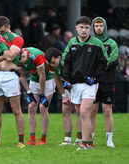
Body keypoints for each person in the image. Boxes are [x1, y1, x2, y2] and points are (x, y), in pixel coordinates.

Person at [63, 16, 108, 150]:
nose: (84, 30)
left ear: (90, 29)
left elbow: (103, 63)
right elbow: (67, 63)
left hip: (90, 85)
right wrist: (66, 80)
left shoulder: (96, 43)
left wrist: (94, 78)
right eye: (81, 27)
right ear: (76, 28)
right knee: (80, 113)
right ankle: (89, 143)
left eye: (87, 28)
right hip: (75, 85)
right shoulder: (72, 43)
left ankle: (84, 143)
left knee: (84, 112)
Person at [0, 16, 25, 148]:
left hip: (10, 76)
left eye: (3, 32)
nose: (0, 35)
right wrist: (2, 55)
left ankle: (21, 140)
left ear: (8, 27)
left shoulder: (17, 39)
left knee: (16, 109)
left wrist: (2, 45)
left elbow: (11, 56)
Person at [45, 47, 82, 146]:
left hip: (78, 83)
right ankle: (67, 139)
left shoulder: (68, 61)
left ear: (59, 57)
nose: (52, 65)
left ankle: (79, 139)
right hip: (67, 85)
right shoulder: (50, 65)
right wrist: (64, 95)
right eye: (50, 64)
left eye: (54, 62)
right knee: (65, 109)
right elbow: (57, 79)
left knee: (79, 110)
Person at [91, 17, 118, 148]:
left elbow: (113, 59)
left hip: (107, 81)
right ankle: (90, 139)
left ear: (105, 27)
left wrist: (100, 64)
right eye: (96, 26)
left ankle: (109, 140)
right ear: (93, 27)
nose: (99, 28)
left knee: (107, 111)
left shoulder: (112, 43)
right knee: (92, 111)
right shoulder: (90, 42)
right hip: (92, 82)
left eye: (101, 25)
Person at [18, 47, 55, 145]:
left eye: (21, 62)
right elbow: (21, 76)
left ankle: (43, 139)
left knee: (43, 107)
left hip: (47, 78)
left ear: (24, 56)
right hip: (34, 79)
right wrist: (29, 92)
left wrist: (42, 94)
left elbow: (42, 75)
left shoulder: (35, 56)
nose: (20, 64)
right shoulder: (17, 57)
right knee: (31, 106)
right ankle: (32, 138)